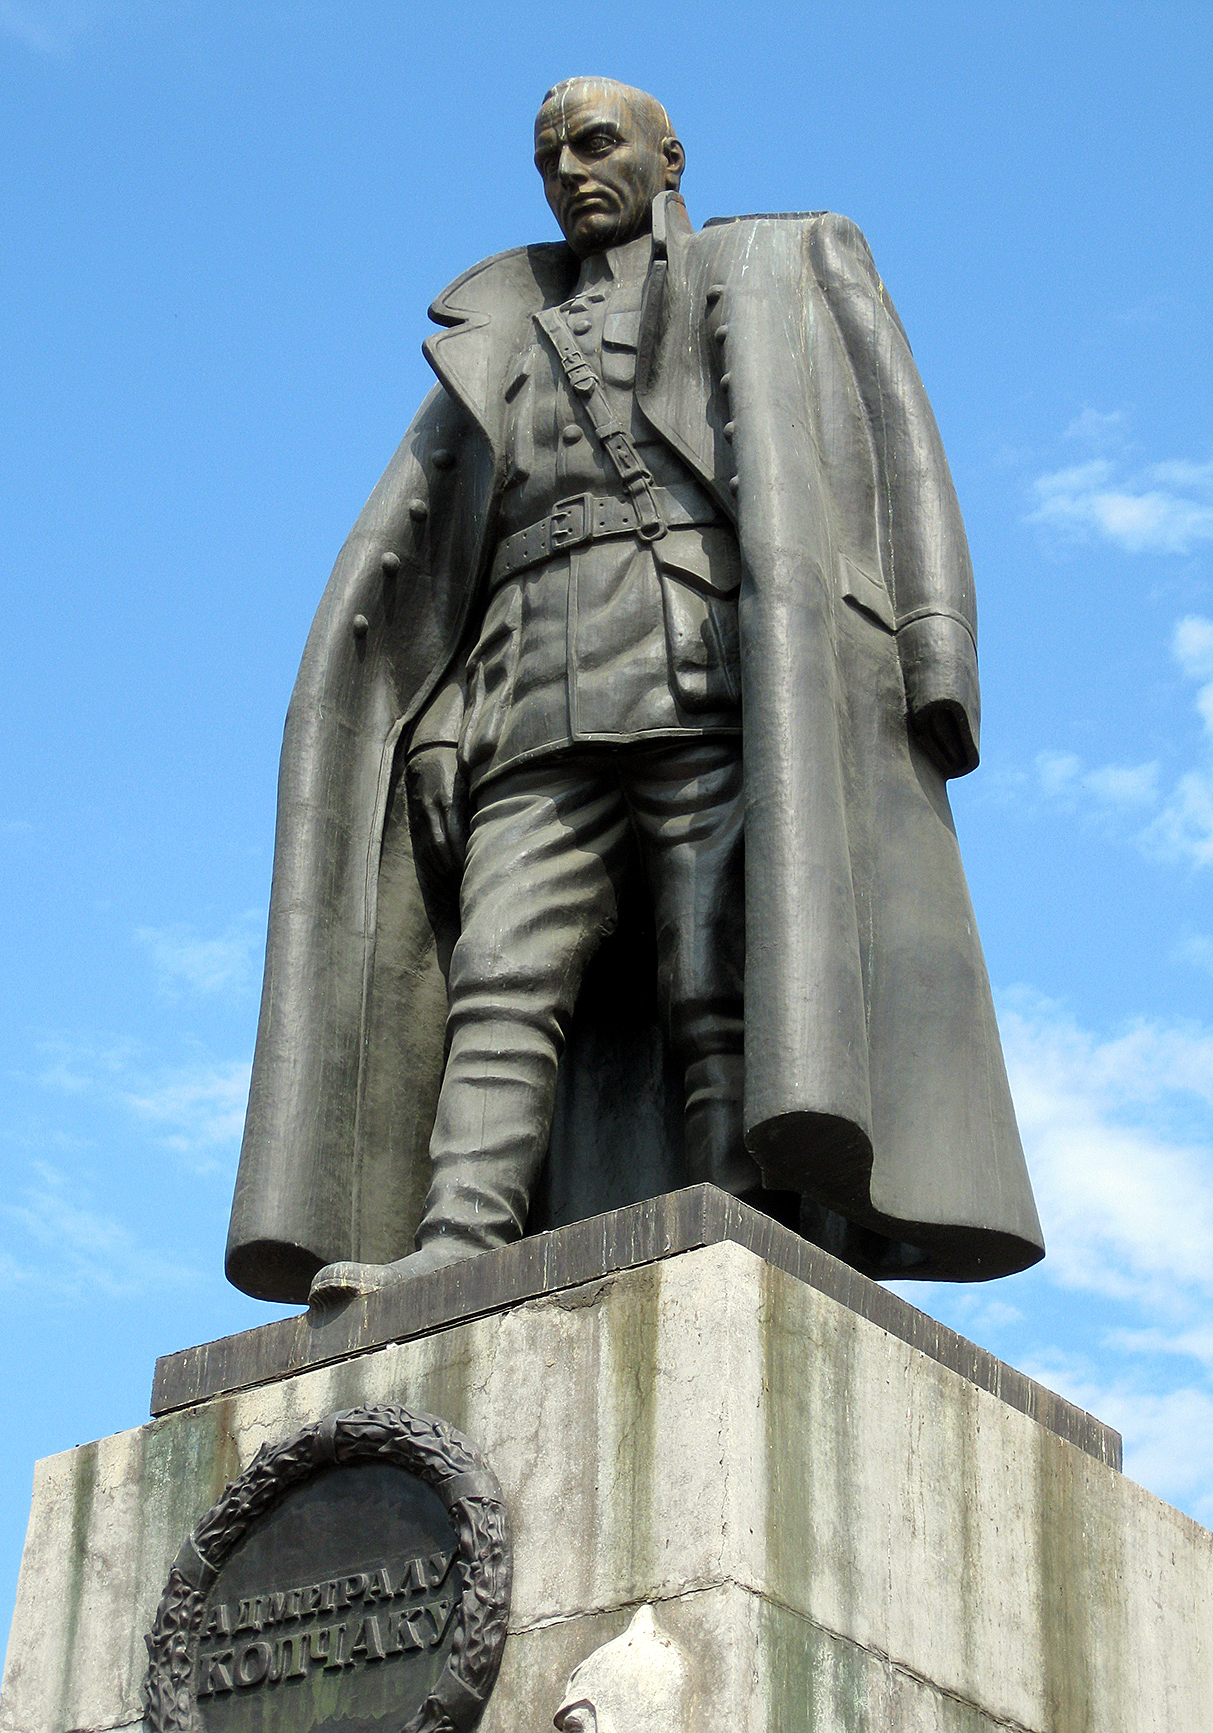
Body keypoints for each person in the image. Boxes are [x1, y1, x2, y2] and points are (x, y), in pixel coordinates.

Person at [225, 78, 1043, 1307]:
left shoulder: (780, 261)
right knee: (498, 975)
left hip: (708, 668)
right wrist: (443, 707)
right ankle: (457, 1238)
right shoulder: (500, 331)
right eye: (548, 155)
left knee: (717, 967)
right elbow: (458, 551)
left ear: (670, 155)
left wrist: (936, 645)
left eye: (596, 144)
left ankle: (735, 1212)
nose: (570, 171)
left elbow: (898, 441)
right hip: (531, 689)